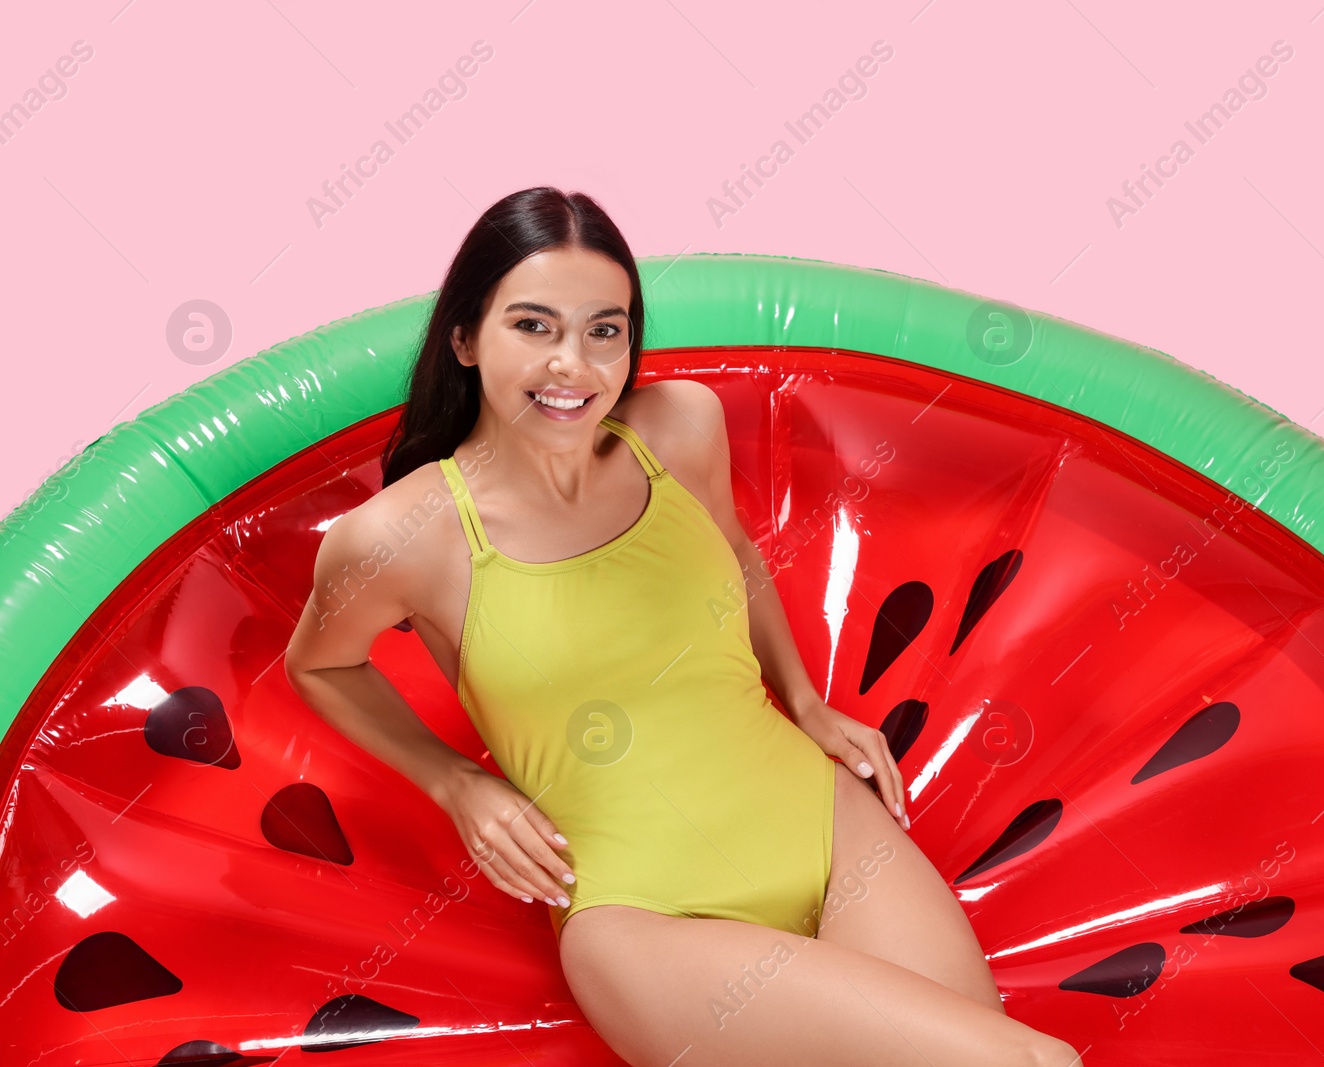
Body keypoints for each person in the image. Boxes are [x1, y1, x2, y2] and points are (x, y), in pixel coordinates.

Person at [283, 187, 1081, 1067]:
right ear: (466, 339)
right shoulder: (403, 535)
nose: (573, 366)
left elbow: (733, 551)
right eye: (534, 327)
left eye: (605, 329)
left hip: (818, 825)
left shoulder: (678, 425)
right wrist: (455, 784)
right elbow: (319, 665)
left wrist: (806, 700)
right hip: (643, 915)